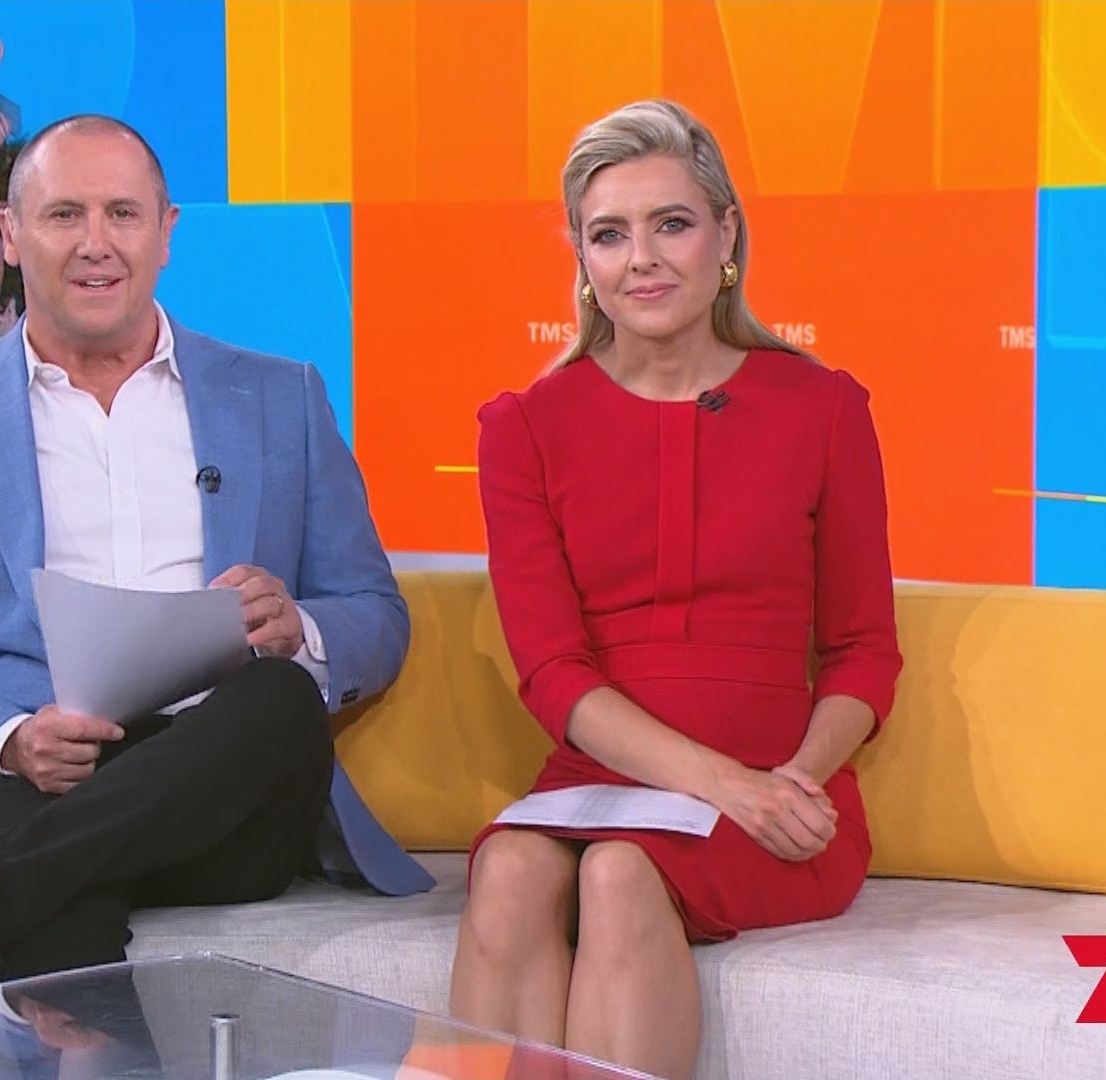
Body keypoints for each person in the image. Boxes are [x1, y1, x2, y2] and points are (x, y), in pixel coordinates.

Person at [0, 114, 433, 1037]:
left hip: (228, 790)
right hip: (37, 784)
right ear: (10, 236)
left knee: (278, 697)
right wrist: (8, 740)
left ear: (165, 232)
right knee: (39, 868)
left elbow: (375, 613)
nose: (95, 243)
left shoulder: (281, 396)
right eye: (63, 215)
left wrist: (301, 630)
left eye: (122, 213)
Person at [447, 99, 903, 1077]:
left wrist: (790, 783)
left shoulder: (822, 409)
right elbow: (553, 674)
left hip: (780, 789)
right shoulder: (524, 427)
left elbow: (864, 651)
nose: (642, 259)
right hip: (603, 781)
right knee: (511, 867)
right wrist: (717, 783)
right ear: (582, 256)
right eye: (610, 234)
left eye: (673, 224)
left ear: (726, 235)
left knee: (621, 871)